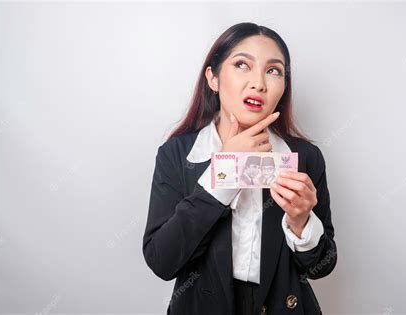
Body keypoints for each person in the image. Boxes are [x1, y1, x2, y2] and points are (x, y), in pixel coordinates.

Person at [142, 22, 337, 315]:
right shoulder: (177, 155)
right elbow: (162, 260)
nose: (259, 82)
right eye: (242, 64)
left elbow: (322, 266)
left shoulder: (305, 157)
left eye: (274, 70)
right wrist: (224, 172)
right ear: (213, 78)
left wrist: (301, 222)